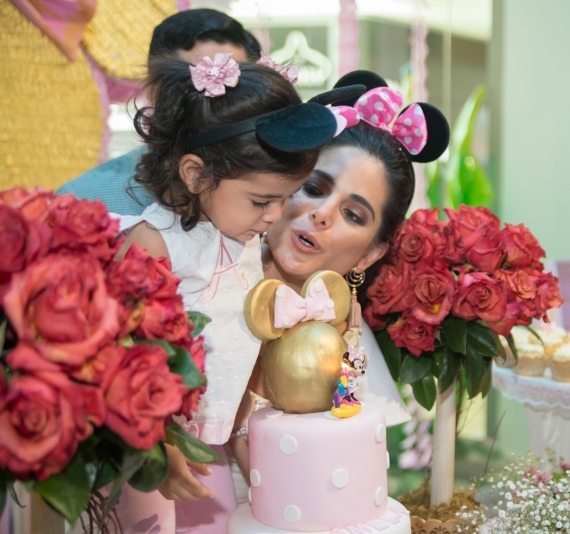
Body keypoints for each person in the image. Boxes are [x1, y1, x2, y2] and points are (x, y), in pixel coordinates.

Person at [113, 54, 340, 533]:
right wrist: (162, 445)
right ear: (195, 174)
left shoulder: (240, 234)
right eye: (262, 201)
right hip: (149, 451)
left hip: (207, 444)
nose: (275, 216)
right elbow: (128, 357)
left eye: (287, 198)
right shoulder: (155, 243)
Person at [228, 71, 450, 482]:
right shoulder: (208, 286)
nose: (322, 214)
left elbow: (342, 484)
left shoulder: (349, 345)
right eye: (314, 187)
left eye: (352, 214)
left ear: (371, 253)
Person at [56, 8, 261, 215]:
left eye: (232, 84)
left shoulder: (277, 193)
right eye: (198, 83)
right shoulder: (85, 203)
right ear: (154, 88)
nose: (216, 100)